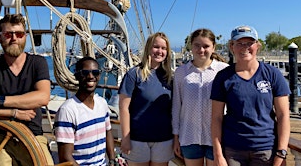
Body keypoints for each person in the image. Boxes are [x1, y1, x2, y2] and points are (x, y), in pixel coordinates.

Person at [0, 13, 54, 166]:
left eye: (19, 34)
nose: (14, 38)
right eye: (8, 34)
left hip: (33, 135)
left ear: (25, 37)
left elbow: (43, 97)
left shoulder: (38, 63)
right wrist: (14, 113)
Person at [210, 25, 291, 166]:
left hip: (266, 149)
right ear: (231, 46)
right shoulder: (223, 77)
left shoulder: (273, 74)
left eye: (249, 43)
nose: (244, 47)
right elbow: (216, 118)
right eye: (239, 43)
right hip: (233, 150)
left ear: (257, 46)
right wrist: (218, 154)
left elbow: (283, 115)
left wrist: (281, 152)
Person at [172, 28, 229, 166]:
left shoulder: (224, 71)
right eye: (197, 45)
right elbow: (176, 106)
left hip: (216, 137)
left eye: (206, 46)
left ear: (213, 47)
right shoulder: (181, 73)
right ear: (191, 46)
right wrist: (176, 137)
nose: (201, 50)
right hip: (189, 135)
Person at [118, 32, 174, 166]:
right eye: (156, 47)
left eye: (163, 48)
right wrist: (125, 137)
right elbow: (124, 108)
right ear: (148, 48)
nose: (159, 51)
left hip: (163, 139)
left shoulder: (170, 77)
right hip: (138, 139)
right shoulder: (134, 74)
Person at [54, 57, 116, 165]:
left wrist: (112, 159)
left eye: (95, 72)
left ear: (99, 76)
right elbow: (65, 157)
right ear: (77, 76)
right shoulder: (68, 110)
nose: (91, 76)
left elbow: (108, 131)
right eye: (85, 73)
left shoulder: (102, 104)